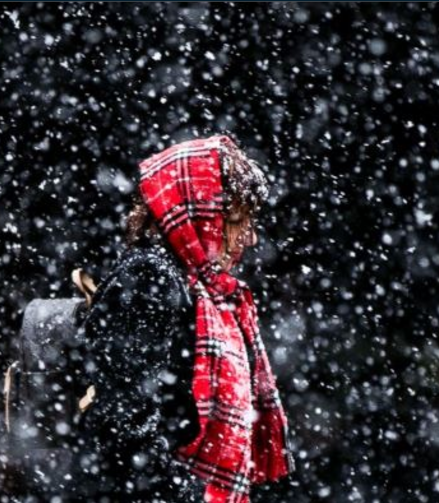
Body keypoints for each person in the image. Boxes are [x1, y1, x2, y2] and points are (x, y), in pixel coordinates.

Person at [69, 135, 294, 503]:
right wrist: (184, 493)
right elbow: (124, 422)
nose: (250, 238)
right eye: (236, 220)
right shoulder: (151, 277)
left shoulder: (197, 286)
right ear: (196, 213)